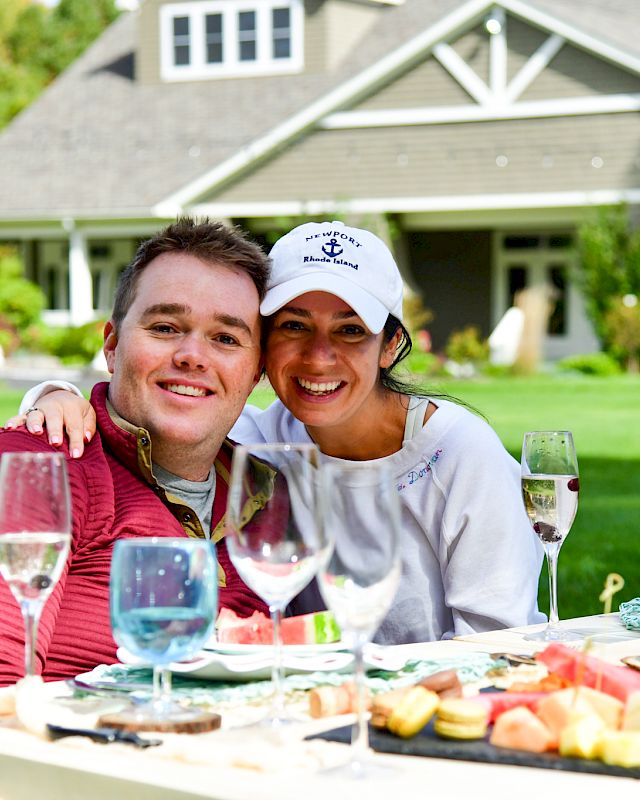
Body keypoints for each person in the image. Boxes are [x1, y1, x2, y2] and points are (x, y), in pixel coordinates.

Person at [9, 221, 545, 645]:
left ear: (389, 347)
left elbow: (500, 646)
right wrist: (53, 396)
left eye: (351, 331)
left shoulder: (460, 453)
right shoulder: (261, 443)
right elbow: (170, 409)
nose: (319, 356)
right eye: (293, 326)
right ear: (264, 353)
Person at [0, 218, 273, 685]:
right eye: (166, 327)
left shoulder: (270, 495)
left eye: (226, 338)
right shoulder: (41, 466)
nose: (193, 356)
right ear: (112, 346)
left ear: (255, 373)